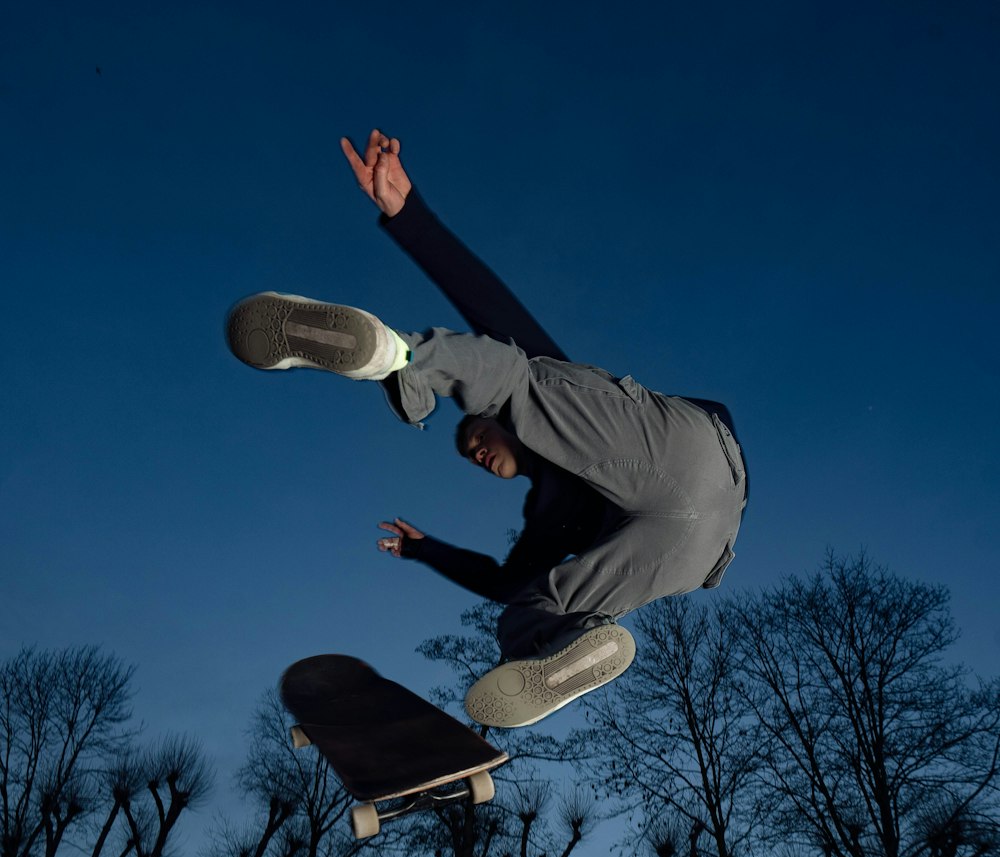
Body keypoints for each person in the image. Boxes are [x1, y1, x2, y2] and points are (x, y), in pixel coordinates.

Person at [226, 130, 748, 728]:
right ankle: (564, 650)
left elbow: (488, 304)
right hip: (694, 554)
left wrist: (409, 216)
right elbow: (501, 579)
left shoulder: (556, 400)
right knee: (524, 612)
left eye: (475, 438)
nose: (475, 453)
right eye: (472, 455)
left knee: (518, 376)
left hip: (691, 453)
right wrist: (426, 552)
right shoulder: (546, 519)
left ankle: (393, 357)